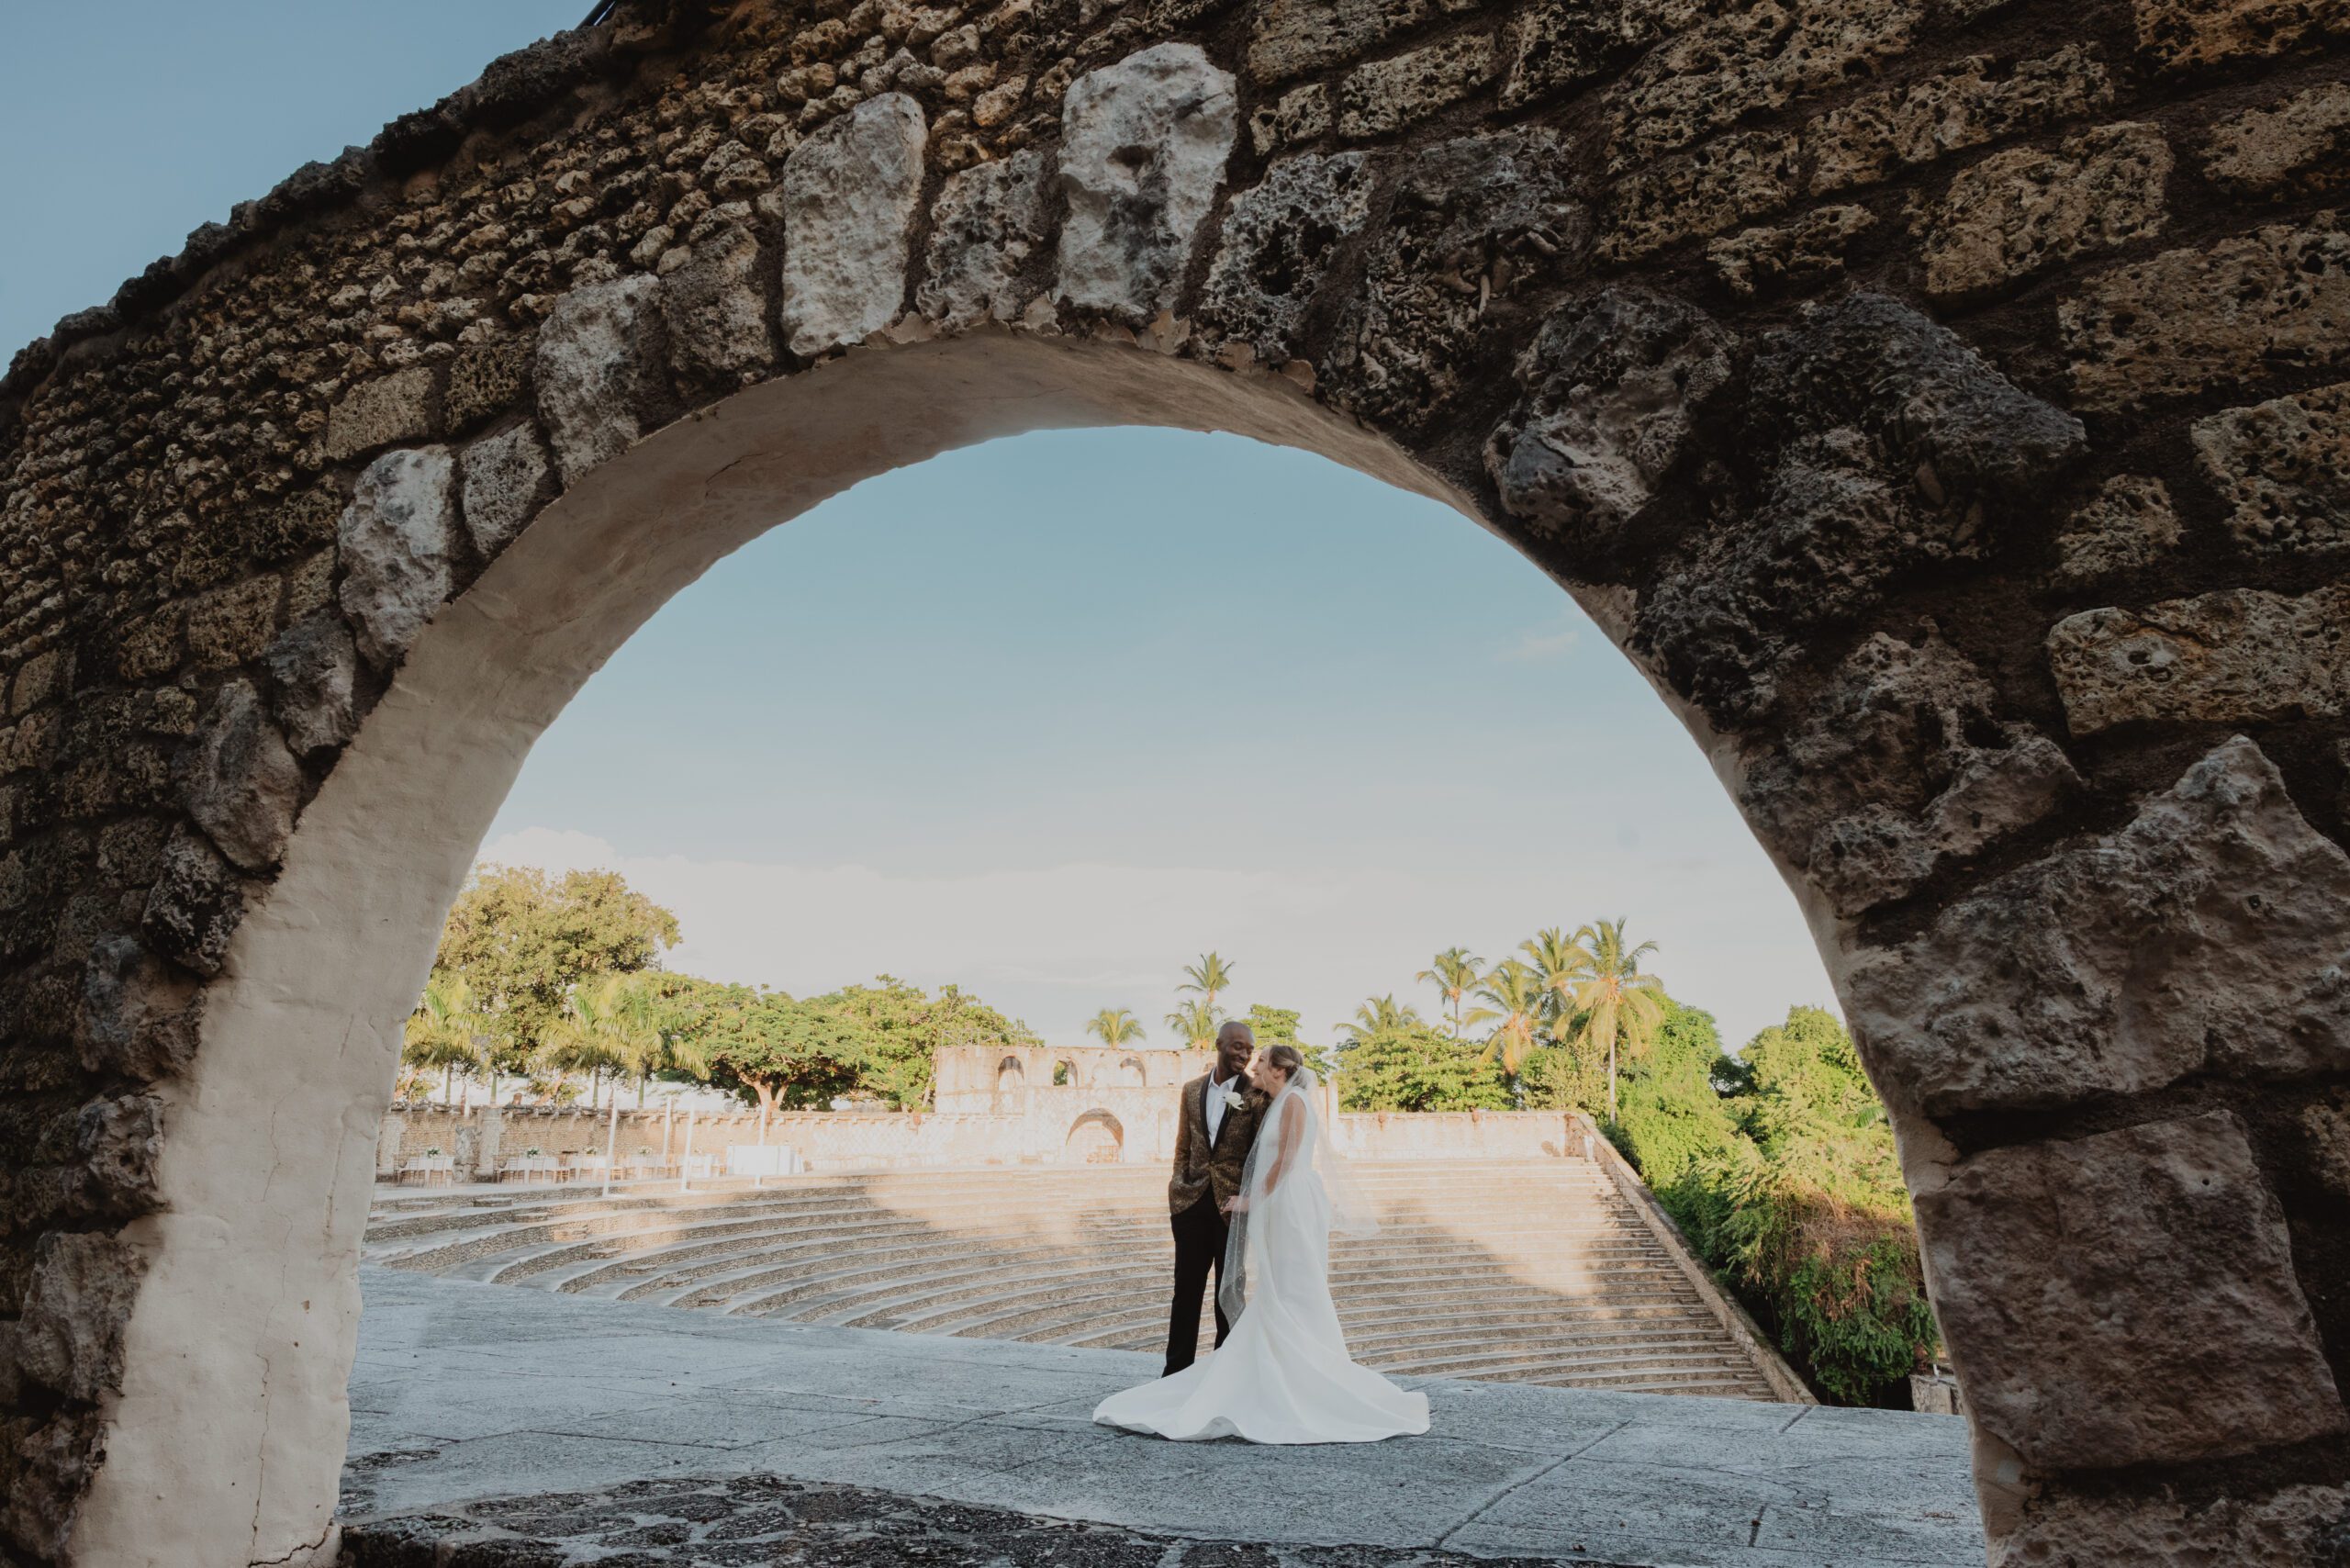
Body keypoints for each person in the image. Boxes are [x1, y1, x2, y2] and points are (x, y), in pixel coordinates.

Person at [1093, 1042, 1431, 1444]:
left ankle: (1297, 1380)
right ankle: (1281, 1372)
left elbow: (1285, 1160)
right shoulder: (1281, 1099)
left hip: (1287, 1204)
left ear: (1278, 1070)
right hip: (1275, 1203)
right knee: (1278, 1288)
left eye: (1261, 1061)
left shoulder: (1291, 1104)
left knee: (1290, 1286)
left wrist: (1254, 1198)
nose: (1254, 1066)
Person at [1158, 1021, 1264, 1376]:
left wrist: (1246, 1198)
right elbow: (1182, 1147)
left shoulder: (1256, 1094)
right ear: (1218, 1045)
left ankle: (1224, 1375)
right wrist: (1178, 1190)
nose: (1245, 1055)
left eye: (1249, 1049)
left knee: (1228, 1294)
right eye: (1238, 1046)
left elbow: (1259, 1154)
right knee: (1185, 1293)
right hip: (1189, 1205)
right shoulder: (1190, 1091)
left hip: (1231, 1207)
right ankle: (1174, 1373)